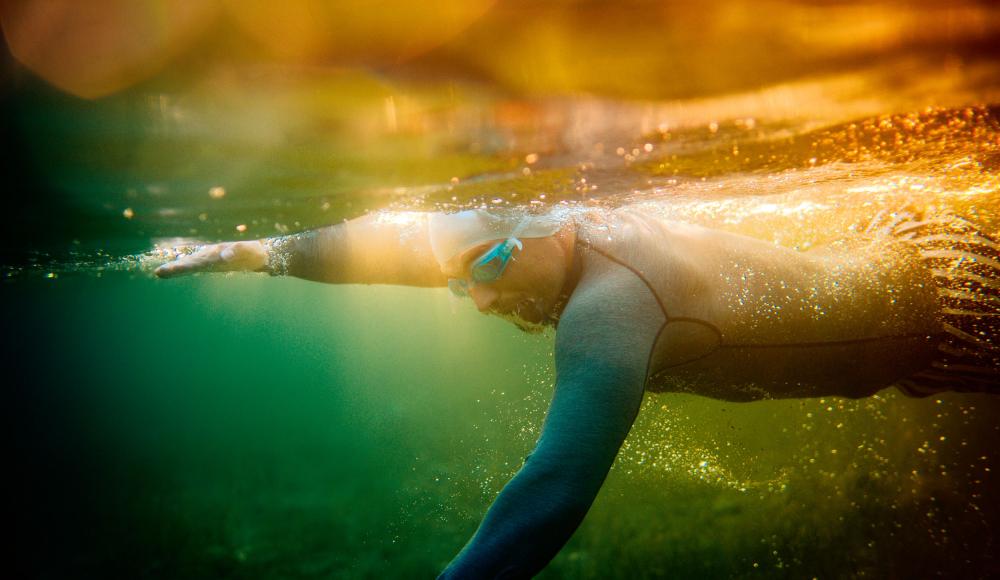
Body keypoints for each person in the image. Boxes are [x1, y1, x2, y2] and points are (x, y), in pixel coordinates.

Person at [154, 204, 999, 578]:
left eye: (485, 270)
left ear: (547, 228)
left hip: (955, 307)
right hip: (900, 253)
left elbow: (555, 491)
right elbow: (416, 252)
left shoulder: (610, 308)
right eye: (458, 281)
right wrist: (253, 251)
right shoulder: (550, 239)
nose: (478, 300)